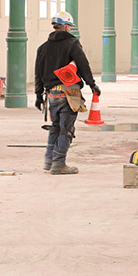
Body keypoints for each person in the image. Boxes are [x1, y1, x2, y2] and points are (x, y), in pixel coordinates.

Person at [34, 11, 101, 175]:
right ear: (65, 26)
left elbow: (38, 73)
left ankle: (48, 162)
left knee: (55, 127)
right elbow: (83, 65)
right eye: (70, 26)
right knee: (66, 129)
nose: (70, 29)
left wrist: (38, 95)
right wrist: (92, 85)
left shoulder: (42, 47)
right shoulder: (72, 43)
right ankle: (59, 165)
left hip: (52, 95)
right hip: (69, 93)